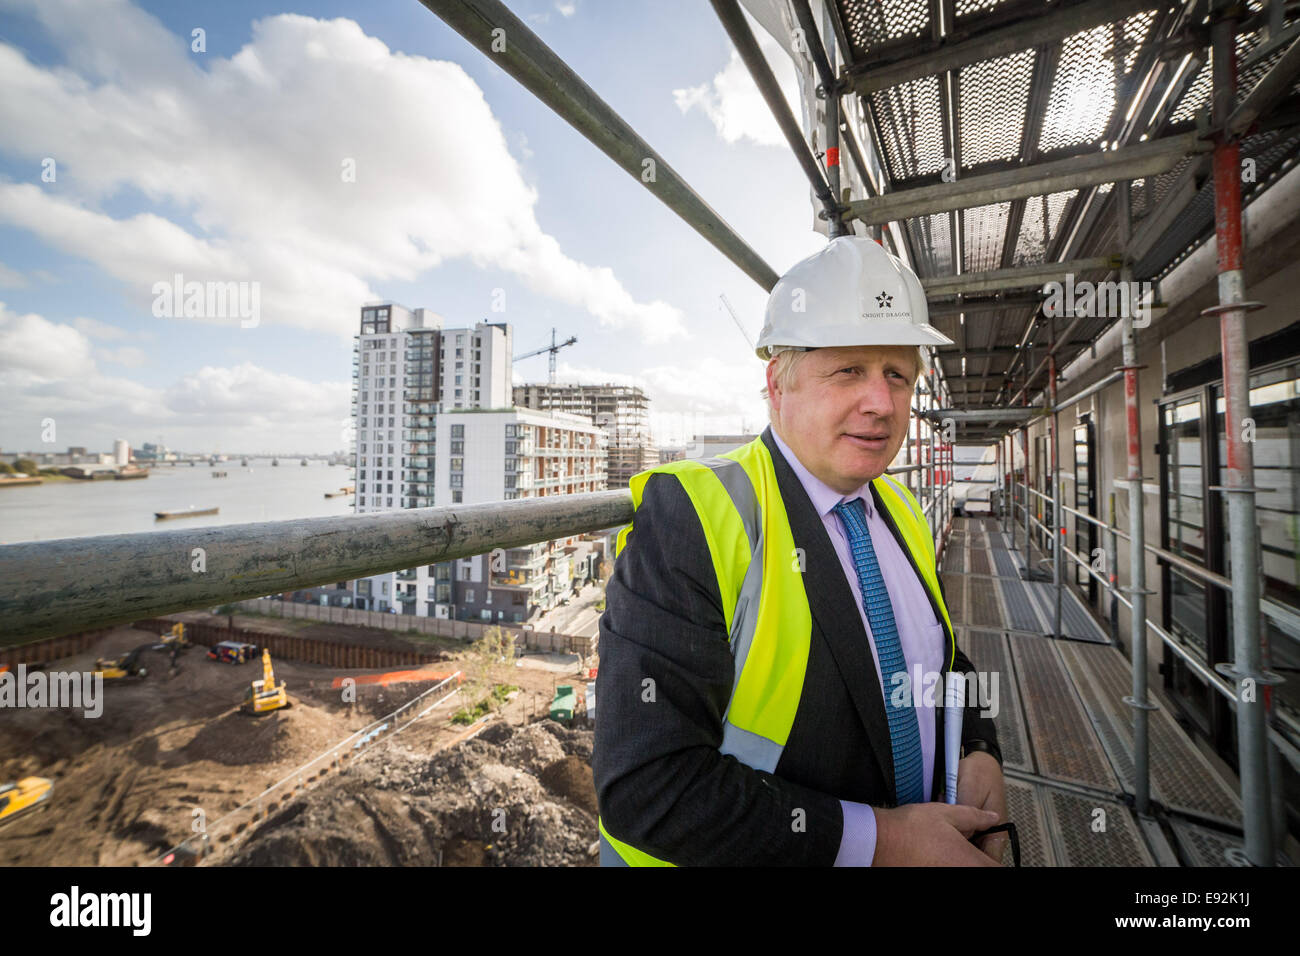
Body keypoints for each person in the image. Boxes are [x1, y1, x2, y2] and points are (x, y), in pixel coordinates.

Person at [594, 236, 1007, 866]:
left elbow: (943, 657)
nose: (882, 402)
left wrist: (978, 749)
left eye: (897, 373)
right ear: (777, 385)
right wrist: (886, 841)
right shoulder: (696, 516)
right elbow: (649, 787)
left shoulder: (898, 510)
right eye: (848, 370)